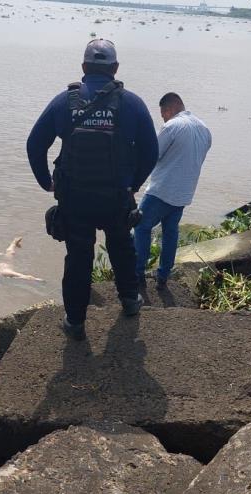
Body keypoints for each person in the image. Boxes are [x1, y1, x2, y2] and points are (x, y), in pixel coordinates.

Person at [26, 39, 159, 340]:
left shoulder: (64, 102)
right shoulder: (133, 104)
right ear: (115, 68)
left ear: (84, 67)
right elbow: (151, 152)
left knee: (78, 258)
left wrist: (46, 181)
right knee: (121, 247)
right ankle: (129, 301)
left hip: (76, 200)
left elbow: (35, 144)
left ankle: (75, 323)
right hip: (115, 198)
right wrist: (132, 185)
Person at [134, 92, 212, 289]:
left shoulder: (172, 126)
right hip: (184, 193)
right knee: (170, 232)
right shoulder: (204, 129)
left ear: (169, 109)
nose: (163, 118)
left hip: (162, 190)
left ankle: (138, 273)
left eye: (163, 114)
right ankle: (163, 276)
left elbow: (153, 155)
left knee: (141, 227)